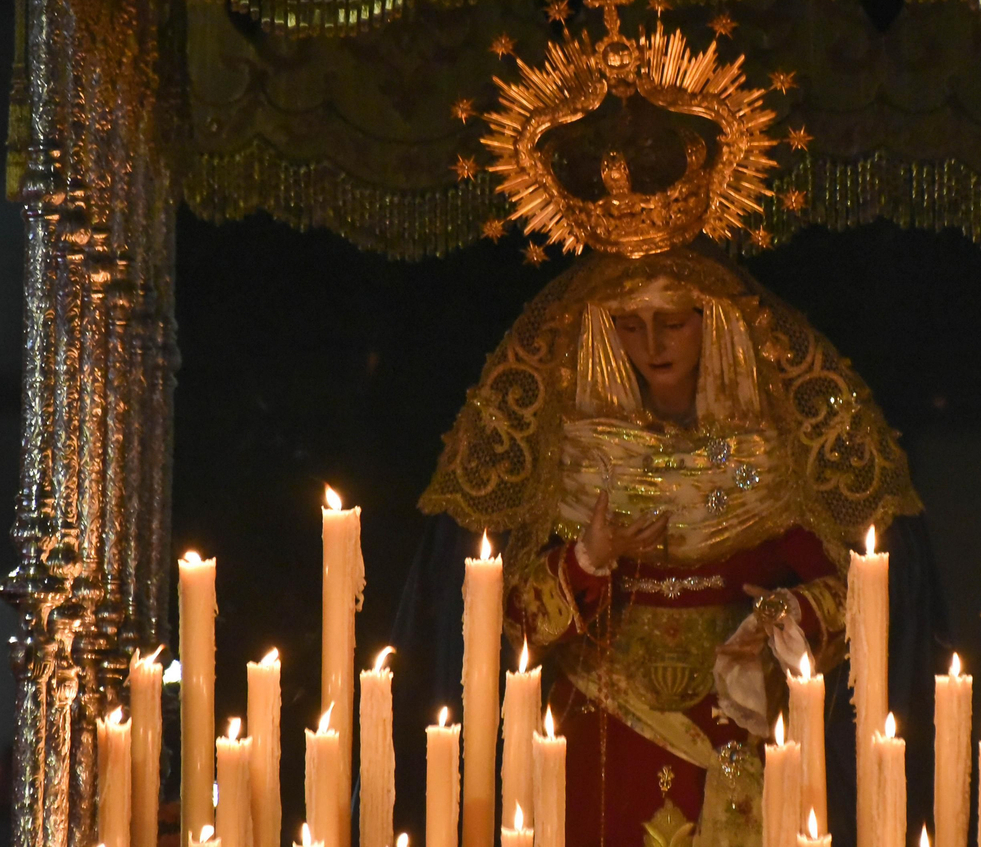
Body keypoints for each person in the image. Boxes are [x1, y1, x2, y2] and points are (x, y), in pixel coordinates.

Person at [401, 244, 948, 847]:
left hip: (732, 724)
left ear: (713, 321)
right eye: (630, 326)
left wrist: (789, 613)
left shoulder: (765, 460)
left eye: (673, 323)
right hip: (600, 735)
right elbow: (505, 620)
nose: (653, 345)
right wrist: (586, 561)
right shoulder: (573, 457)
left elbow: (861, 593)